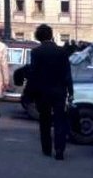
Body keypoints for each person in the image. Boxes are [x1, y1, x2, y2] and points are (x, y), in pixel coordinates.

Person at [23, 23, 74, 160]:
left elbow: (33, 74)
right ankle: (59, 150)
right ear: (51, 36)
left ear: (38, 36)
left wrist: (28, 93)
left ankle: (46, 148)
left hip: (43, 91)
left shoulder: (36, 52)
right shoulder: (62, 52)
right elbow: (67, 73)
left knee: (44, 120)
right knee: (59, 120)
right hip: (59, 91)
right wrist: (71, 92)